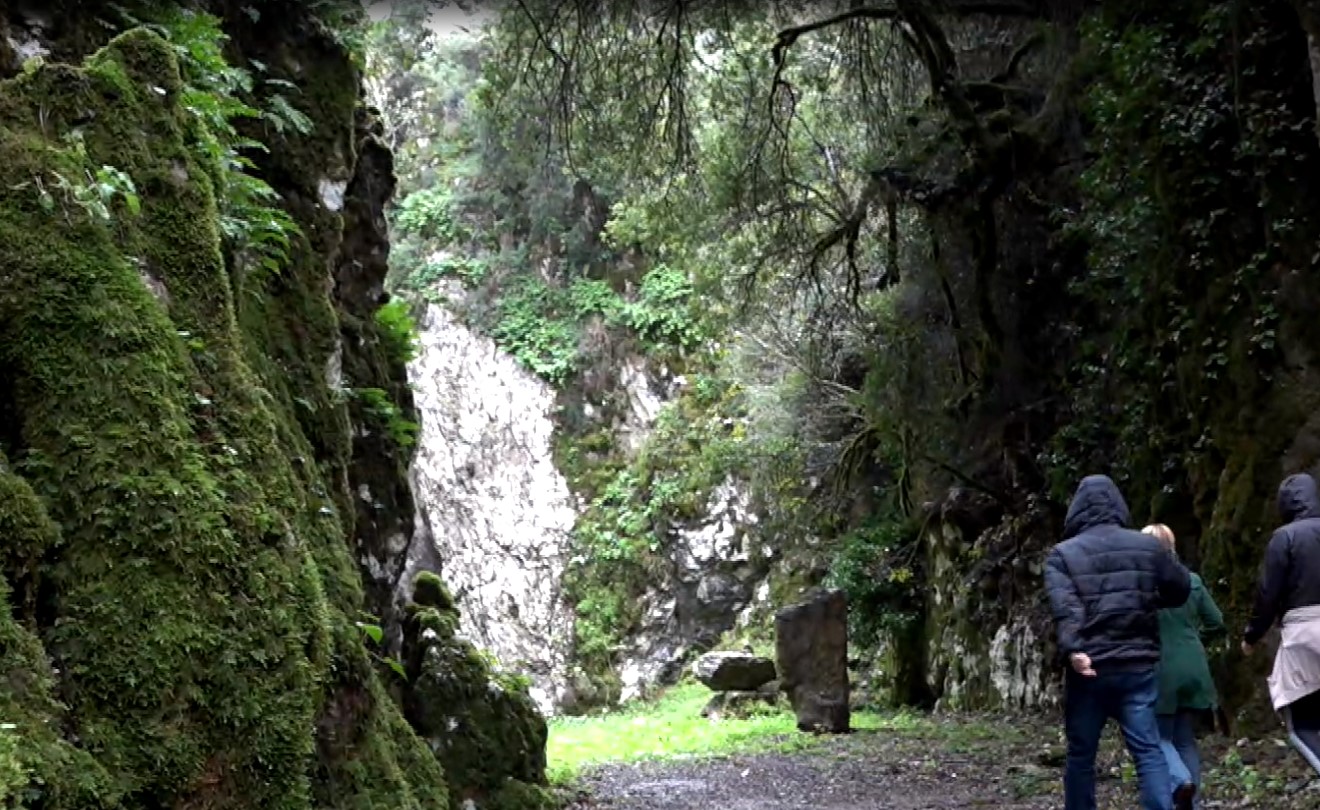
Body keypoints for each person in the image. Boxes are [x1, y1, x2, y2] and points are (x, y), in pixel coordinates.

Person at [1045, 474, 1192, 810]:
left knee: (1081, 755)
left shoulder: (1063, 555)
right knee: (1148, 749)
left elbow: (1065, 608)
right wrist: (1149, 600)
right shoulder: (1148, 547)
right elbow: (1181, 588)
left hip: (1090, 669)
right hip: (1137, 665)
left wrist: (1074, 650)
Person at [1142, 523, 1225, 810]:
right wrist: (1195, 640)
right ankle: (1193, 803)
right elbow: (1217, 622)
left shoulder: (1143, 587)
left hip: (1160, 667)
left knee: (1157, 737)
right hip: (1194, 664)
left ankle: (1180, 781)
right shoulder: (1192, 581)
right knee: (1186, 739)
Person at [1242, 472, 1320, 775]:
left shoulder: (1285, 537)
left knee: (1301, 725)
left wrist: (1252, 636)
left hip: (1303, 634)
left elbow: (1268, 593)